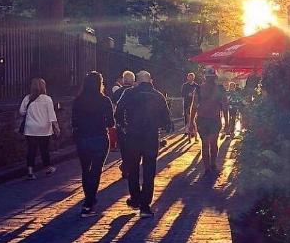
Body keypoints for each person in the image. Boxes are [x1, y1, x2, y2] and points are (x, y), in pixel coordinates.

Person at [115, 70, 172, 218]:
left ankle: (135, 198)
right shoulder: (158, 96)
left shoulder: (129, 93)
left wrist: (125, 126)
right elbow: (166, 120)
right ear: (151, 81)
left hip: (133, 137)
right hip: (151, 138)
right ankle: (145, 206)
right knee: (149, 171)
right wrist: (156, 125)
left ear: (137, 81)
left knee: (133, 169)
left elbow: (118, 113)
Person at [71, 71, 115, 217]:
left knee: (85, 170)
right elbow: (110, 122)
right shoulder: (104, 101)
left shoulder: (78, 101)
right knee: (96, 171)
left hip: (83, 139)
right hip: (99, 138)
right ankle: (89, 202)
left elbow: (74, 122)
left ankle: (89, 200)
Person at [19, 78, 60, 179]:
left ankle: (30, 172)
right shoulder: (47, 99)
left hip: (30, 128)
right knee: (44, 149)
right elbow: (51, 115)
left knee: (31, 150)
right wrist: (56, 127)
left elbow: (21, 111)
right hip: (44, 128)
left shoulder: (27, 98)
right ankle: (47, 168)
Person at [190, 66, 227, 175]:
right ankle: (211, 164)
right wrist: (227, 122)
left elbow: (194, 106)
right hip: (212, 119)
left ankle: (208, 166)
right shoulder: (219, 89)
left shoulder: (199, 89)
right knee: (212, 143)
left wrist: (191, 121)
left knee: (206, 144)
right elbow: (225, 105)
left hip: (203, 119)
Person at [181, 71, 199, 140]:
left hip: (194, 104)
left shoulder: (196, 86)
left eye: (192, 77)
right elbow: (182, 94)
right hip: (187, 103)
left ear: (194, 78)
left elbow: (199, 95)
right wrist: (188, 94)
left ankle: (194, 131)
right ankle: (187, 130)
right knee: (186, 117)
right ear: (187, 78)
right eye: (189, 77)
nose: (190, 78)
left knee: (194, 117)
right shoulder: (184, 85)